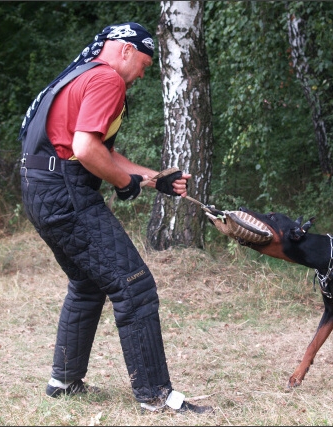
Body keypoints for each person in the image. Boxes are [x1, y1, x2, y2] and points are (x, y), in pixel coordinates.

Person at [18, 22, 211, 414]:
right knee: (134, 285)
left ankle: (64, 381)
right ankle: (155, 395)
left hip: (40, 188)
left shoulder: (81, 75)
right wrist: (125, 185)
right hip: (65, 192)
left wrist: (155, 180)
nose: (143, 73)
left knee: (88, 282)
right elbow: (86, 149)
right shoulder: (108, 80)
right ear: (124, 50)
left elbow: (98, 151)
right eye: (144, 62)